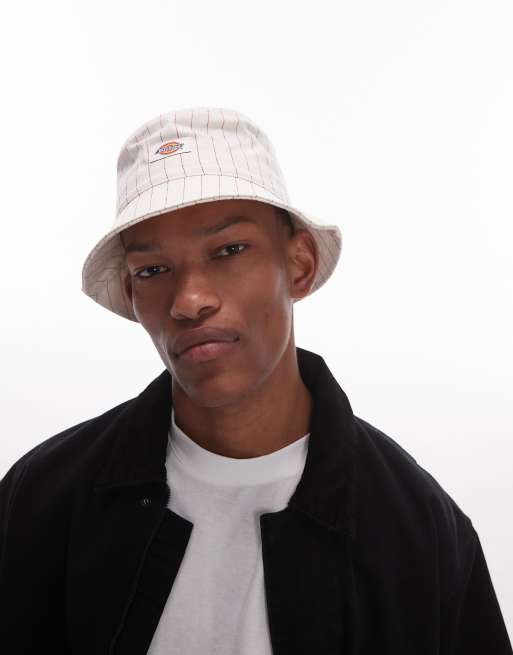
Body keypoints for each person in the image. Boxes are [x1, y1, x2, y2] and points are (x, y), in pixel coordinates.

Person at [0, 106, 511, 654]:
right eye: (152, 270)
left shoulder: (418, 534)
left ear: (299, 264)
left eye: (229, 250)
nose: (190, 300)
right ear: (131, 293)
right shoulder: (43, 499)